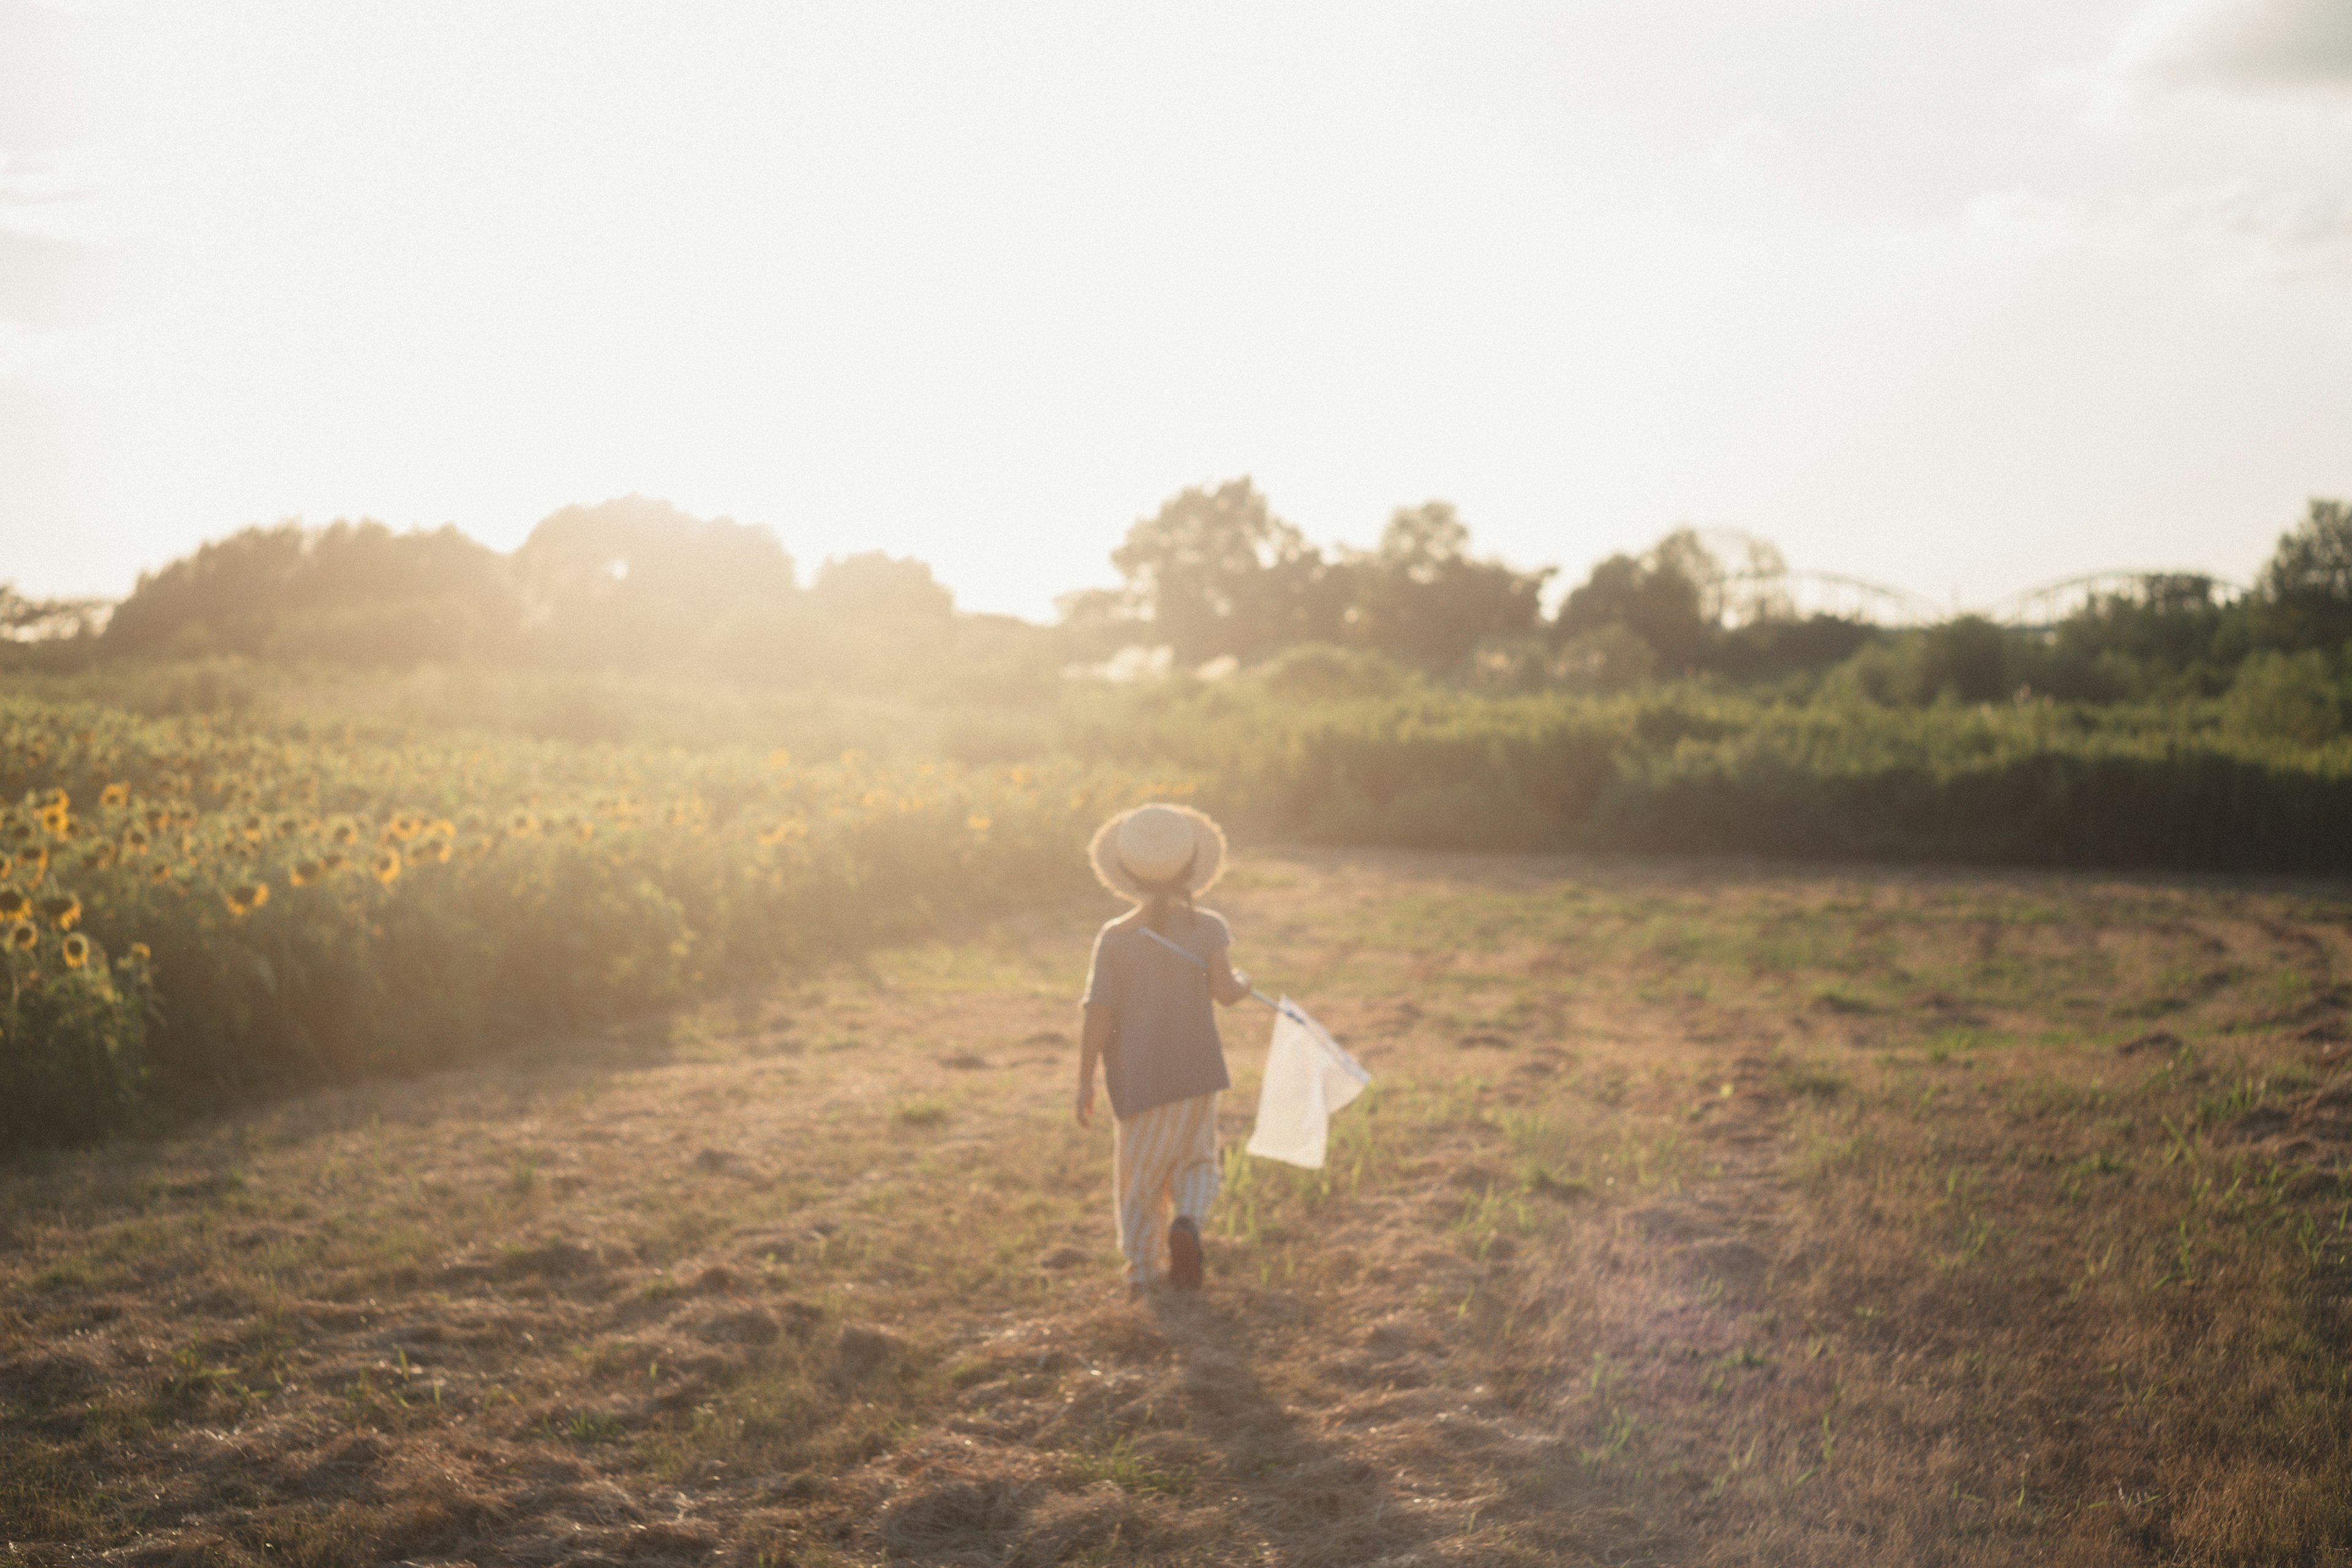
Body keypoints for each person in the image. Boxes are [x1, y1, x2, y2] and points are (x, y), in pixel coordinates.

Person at [1076, 802, 1253, 1292]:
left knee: (1141, 1180)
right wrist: (1245, 979)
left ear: (1127, 871)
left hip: (1140, 1079)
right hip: (1199, 1073)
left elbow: (1098, 1013)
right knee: (1198, 1160)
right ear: (1193, 867)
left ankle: (1145, 1268)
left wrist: (1084, 1081)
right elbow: (1226, 993)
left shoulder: (1114, 939)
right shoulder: (1209, 927)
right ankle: (1189, 1221)